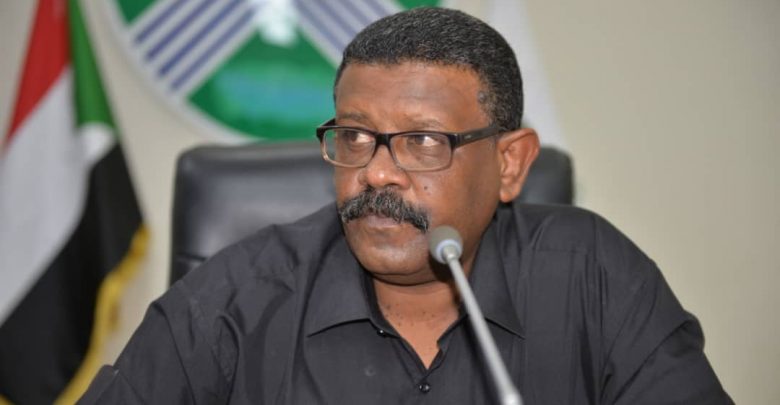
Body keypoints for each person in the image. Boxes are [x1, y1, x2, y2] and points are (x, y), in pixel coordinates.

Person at [80, 7, 732, 404]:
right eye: (354, 136)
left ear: (509, 163)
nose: (376, 172)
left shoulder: (593, 277)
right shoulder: (234, 299)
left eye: (422, 141)